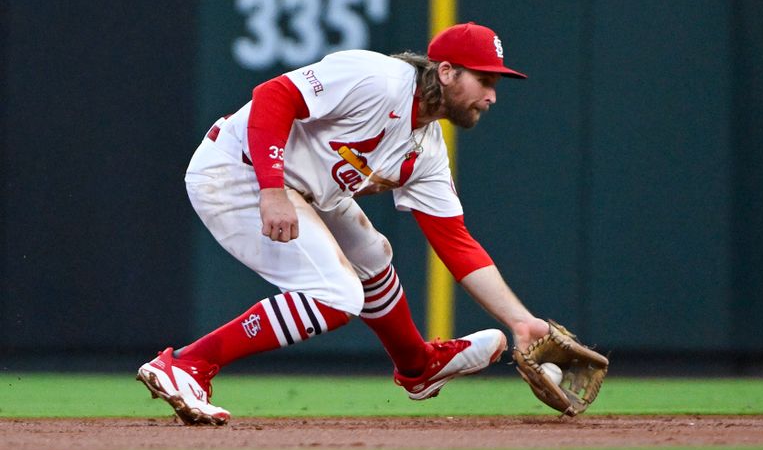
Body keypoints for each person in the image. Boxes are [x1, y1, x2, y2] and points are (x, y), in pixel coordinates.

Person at [137, 22, 551, 425]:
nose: (492, 95)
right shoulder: (378, 78)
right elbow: (274, 95)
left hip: (302, 188)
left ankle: (418, 367)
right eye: (484, 80)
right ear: (446, 72)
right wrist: (272, 188)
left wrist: (520, 320)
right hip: (237, 170)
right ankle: (187, 364)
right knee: (337, 295)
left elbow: (456, 244)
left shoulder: (426, 149)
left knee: (373, 254)